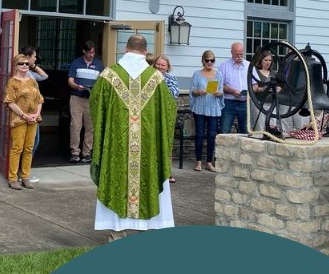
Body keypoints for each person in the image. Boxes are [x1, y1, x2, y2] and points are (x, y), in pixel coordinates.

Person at [89, 34, 176, 236]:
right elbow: (169, 112)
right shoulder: (157, 79)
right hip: (147, 149)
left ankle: (116, 234)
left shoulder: (108, 76)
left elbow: (95, 107)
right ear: (145, 53)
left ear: (126, 49)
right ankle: (144, 230)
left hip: (117, 148)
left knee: (116, 180)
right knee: (147, 178)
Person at [3, 53, 43, 189]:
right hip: (19, 119)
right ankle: (13, 178)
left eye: (27, 63)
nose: (25, 65)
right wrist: (24, 115)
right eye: (22, 63)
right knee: (17, 148)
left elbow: (39, 99)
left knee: (29, 148)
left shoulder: (33, 81)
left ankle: (25, 177)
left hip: (33, 119)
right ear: (16, 65)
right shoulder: (12, 82)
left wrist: (37, 113)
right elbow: (10, 102)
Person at [67, 41, 103, 163]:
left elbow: (102, 83)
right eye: (89, 52)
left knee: (90, 127)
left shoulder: (99, 65)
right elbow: (70, 80)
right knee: (75, 126)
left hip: (91, 99)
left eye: (93, 52)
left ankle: (87, 153)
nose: (92, 55)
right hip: (77, 98)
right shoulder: (76, 63)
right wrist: (77, 86)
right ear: (84, 51)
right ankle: (74, 152)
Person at [189, 50, 224, 172]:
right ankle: (198, 162)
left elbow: (221, 91)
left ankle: (209, 162)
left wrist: (219, 93)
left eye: (212, 60)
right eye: (207, 60)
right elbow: (192, 90)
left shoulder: (219, 74)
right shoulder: (197, 74)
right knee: (199, 135)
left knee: (211, 136)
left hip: (213, 108)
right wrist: (198, 92)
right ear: (203, 61)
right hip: (200, 108)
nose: (209, 62)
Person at [19, 45, 49, 182]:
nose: (35, 58)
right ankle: (23, 173)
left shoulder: (30, 73)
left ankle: (24, 172)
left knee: (33, 143)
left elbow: (45, 76)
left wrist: (34, 65)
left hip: (34, 113)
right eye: (34, 56)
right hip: (26, 114)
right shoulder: (24, 75)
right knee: (28, 145)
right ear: (27, 57)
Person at [218, 42, 250, 133]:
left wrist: (250, 92)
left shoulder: (249, 66)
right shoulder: (224, 66)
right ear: (231, 52)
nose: (239, 57)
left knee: (246, 132)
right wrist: (232, 91)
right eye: (237, 54)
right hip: (228, 103)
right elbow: (219, 85)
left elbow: (254, 84)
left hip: (245, 103)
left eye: (241, 54)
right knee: (224, 131)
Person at [247, 47, 275, 134]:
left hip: (271, 103)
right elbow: (254, 88)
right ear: (261, 61)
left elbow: (279, 87)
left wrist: (276, 89)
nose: (268, 62)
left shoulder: (273, 73)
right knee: (259, 126)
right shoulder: (256, 72)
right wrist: (264, 89)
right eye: (266, 60)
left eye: (270, 60)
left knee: (272, 126)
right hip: (258, 102)